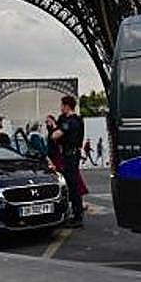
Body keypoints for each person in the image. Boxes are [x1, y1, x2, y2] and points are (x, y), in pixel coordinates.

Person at [51, 96, 85, 228]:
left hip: (70, 155)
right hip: (74, 154)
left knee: (73, 185)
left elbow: (55, 135)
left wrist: (54, 127)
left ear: (67, 106)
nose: (60, 107)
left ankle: (77, 216)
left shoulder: (69, 121)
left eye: (62, 105)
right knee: (73, 183)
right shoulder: (78, 120)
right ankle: (77, 213)